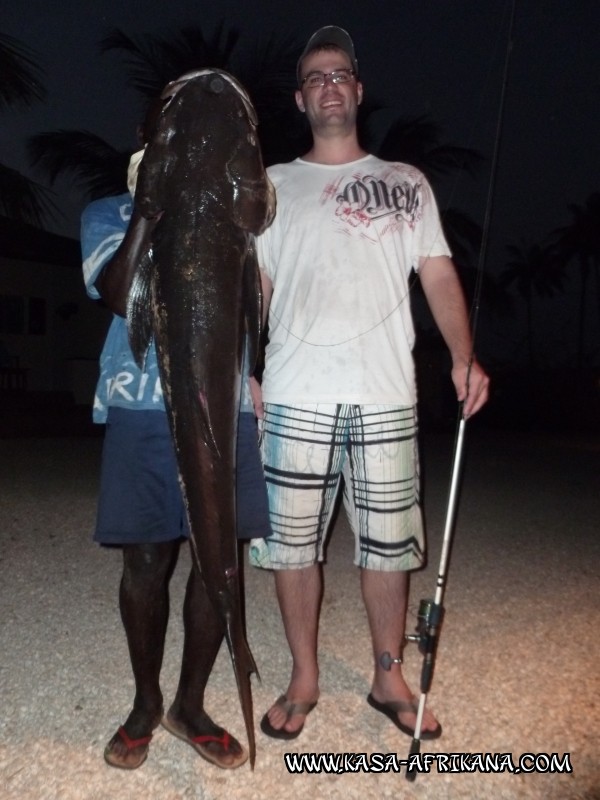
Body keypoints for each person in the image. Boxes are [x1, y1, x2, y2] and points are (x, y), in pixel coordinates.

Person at [250, 26, 490, 741]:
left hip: (386, 391)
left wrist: (462, 357)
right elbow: (255, 287)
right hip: (294, 392)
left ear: (357, 90)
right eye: (315, 75)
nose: (329, 84)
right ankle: (304, 674)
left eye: (341, 73)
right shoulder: (270, 187)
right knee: (292, 548)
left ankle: (389, 675)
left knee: (387, 547)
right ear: (300, 98)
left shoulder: (408, 182)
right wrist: (244, 369)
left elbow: (438, 272)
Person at [80, 95, 271, 770]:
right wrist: (151, 213)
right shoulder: (107, 211)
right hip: (141, 405)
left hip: (224, 411)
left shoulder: (242, 220)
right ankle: (144, 702)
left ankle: (190, 704)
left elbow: (262, 305)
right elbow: (113, 290)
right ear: (145, 140)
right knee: (148, 561)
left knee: (217, 556)